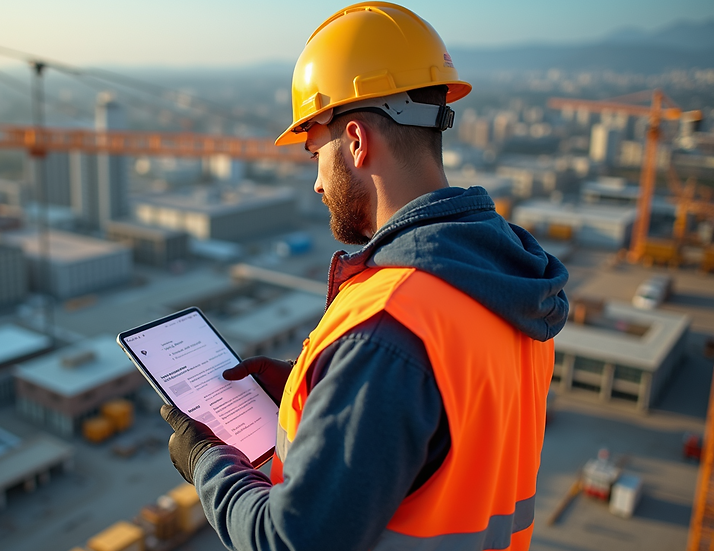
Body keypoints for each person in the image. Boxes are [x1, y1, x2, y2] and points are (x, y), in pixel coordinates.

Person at [159, 3, 570, 550]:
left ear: (355, 140)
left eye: (314, 152)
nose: (316, 183)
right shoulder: (504, 278)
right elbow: (442, 425)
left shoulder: (388, 326)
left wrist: (207, 461)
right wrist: (316, 389)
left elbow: (289, 540)